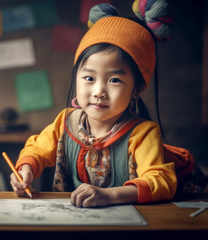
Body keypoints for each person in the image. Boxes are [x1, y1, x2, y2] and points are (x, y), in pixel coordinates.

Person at [10, 1, 178, 207]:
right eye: (89, 78)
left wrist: (110, 195)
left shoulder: (143, 134)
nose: (98, 92)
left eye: (114, 80)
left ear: (137, 88)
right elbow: (36, 149)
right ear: (76, 76)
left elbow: (161, 181)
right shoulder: (65, 122)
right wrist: (25, 170)